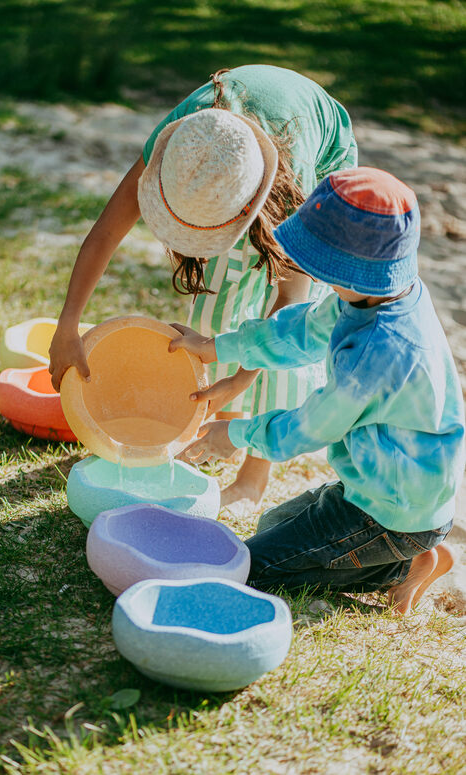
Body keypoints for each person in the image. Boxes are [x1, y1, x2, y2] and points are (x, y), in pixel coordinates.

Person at [48, 65, 358, 510]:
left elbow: (290, 307)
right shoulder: (180, 147)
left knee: (277, 333)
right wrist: (67, 324)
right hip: (231, 160)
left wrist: (240, 378)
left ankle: (254, 474)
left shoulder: (295, 194)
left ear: (247, 206)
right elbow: (103, 234)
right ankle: (221, 419)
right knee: (212, 308)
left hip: (317, 152)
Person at [170, 167, 464, 615]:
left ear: (355, 270)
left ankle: (402, 565)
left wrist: (232, 435)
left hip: (391, 512)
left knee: (252, 568)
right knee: (272, 524)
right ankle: (409, 555)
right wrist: (215, 349)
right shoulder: (377, 294)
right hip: (380, 488)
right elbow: (301, 331)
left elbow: (309, 427)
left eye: (324, 266)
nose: (314, 273)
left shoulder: (378, 351)